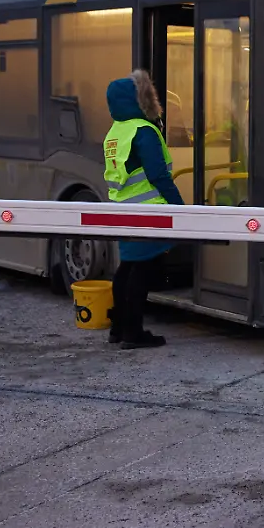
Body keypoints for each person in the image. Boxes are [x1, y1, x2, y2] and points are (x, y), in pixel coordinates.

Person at [103, 69, 185, 350]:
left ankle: (118, 328)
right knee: (143, 270)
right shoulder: (143, 130)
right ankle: (133, 332)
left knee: (126, 268)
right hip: (148, 212)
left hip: (122, 210)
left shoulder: (115, 132)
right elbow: (158, 175)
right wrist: (179, 207)